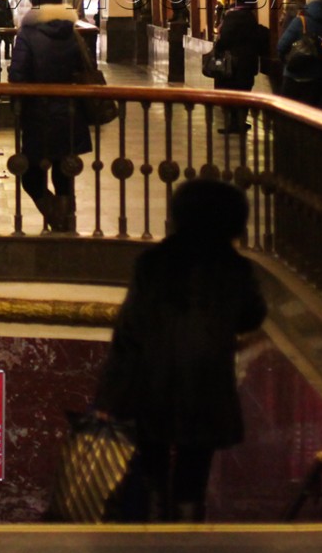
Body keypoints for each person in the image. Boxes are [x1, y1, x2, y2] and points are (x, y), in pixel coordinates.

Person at [94, 179, 267, 522]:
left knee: (152, 469)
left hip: (152, 383)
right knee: (194, 473)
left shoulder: (153, 263)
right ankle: (188, 530)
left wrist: (109, 396)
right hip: (207, 385)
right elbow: (253, 315)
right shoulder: (235, 269)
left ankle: (155, 524)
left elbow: (129, 332)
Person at [8, 0, 90, 233]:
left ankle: (56, 217)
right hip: (70, 113)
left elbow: (17, 75)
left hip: (37, 114)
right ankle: (65, 221)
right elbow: (85, 69)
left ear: (34, 3)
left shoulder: (27, 34)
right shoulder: (72, 32)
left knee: (31, 176)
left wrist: (17, 107)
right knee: (64, 174)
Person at [209, 0, 267, 133]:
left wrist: (218, 47)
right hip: (248, 63)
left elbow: (225, 39)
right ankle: (242, 122)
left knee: (231, 93)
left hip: (233, 64)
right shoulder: (250, 16)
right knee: (244, 92)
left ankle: (233, 124)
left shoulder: (232, 16)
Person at [276, 0, 322, 110]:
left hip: (293, 76)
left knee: (287, 113)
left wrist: (287, 62)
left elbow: (281, 46)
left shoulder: (299, 21)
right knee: (307, 114)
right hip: (315, 79)